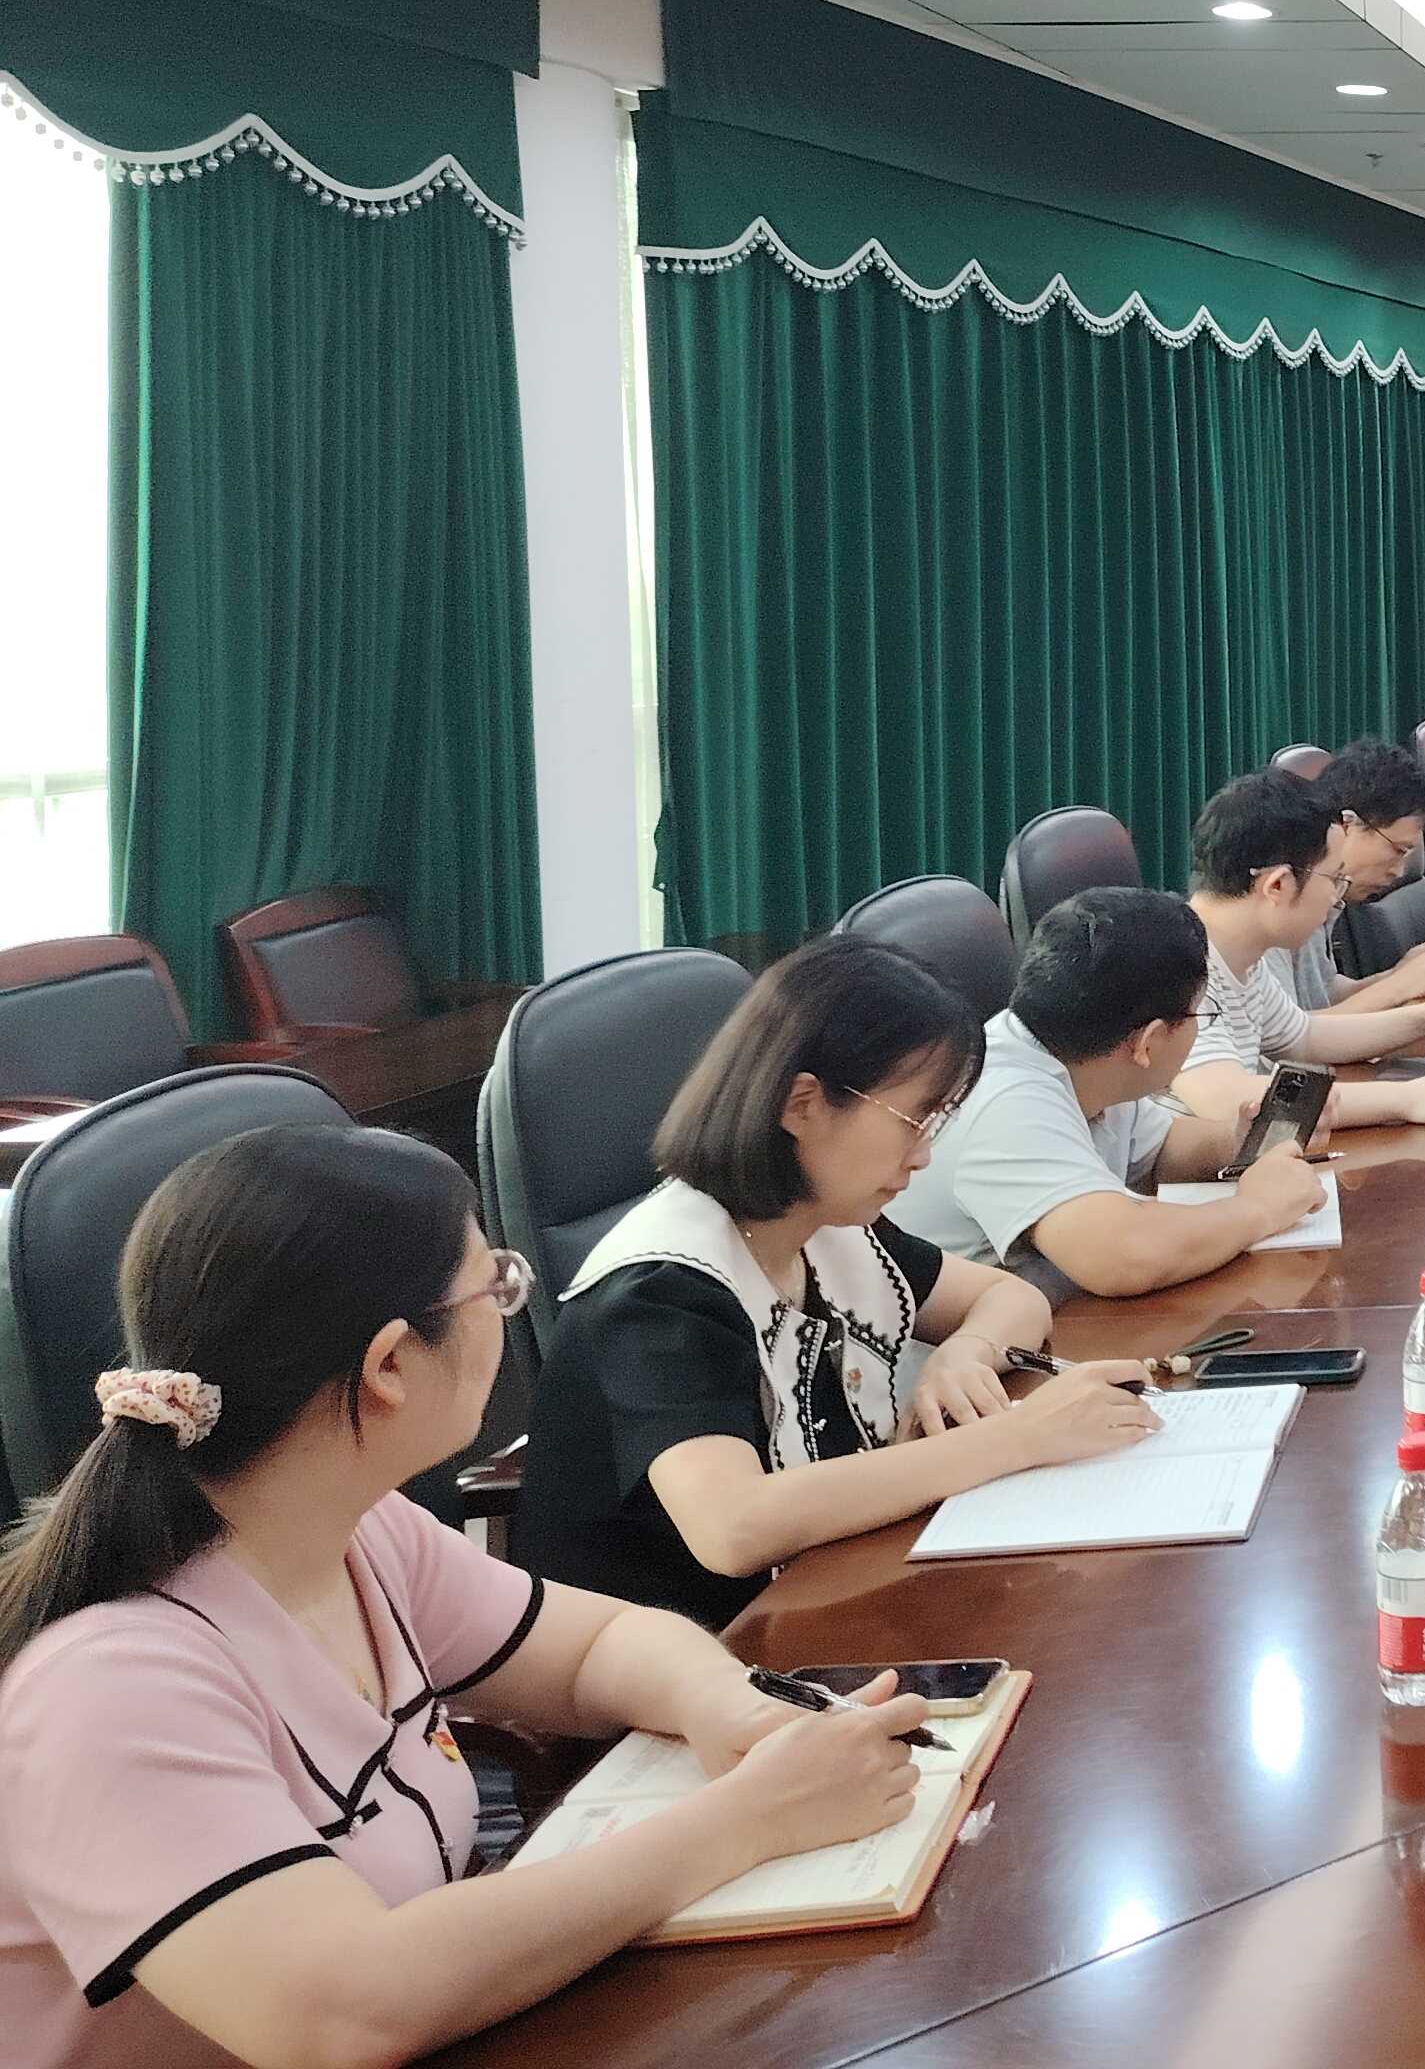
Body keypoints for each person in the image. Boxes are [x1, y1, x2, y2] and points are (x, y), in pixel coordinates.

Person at [0, 1127, 944, 2069]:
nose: (505, 1306)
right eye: (493, 1286)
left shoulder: (358, 1532)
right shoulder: (110, 1686)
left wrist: (734, 1711)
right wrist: (750, 1818)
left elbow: (599, 1646)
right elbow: (339, 2012)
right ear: (389, 1366)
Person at [522, 936, 1162, 1629]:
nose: (923, 1155)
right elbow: (733, 1528)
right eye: (914, 1120)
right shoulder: (660, 1292)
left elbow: (1012, 1297)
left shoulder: (822, 1223)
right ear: (801, 1104)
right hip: (694, 1656)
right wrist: (1020, 1437)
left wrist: (966, 1353)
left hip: (829, 1592)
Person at [889, 887, 1332, 1298]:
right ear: (1148, 1043)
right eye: (1200, 1014)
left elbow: (1160, 1149)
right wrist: (1258, 1209)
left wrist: (1236, 1140)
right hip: (978, 1351)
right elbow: (1121, 1256)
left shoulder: (1085, 1059)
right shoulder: (1004, 1100)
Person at [1173, 763, 1425, 1132]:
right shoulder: (1177, 963)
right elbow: (1227, 1099)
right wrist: (1407, 1098)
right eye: (1333, 878)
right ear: (1278, 885)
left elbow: (1304, 1038)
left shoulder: (1242, 958)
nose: (1336, 897)